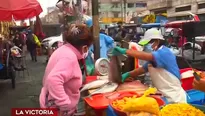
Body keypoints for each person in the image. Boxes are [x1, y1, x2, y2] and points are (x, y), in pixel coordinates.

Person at [111, 28, 187, 103]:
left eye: (149, 43)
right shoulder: (156, 56)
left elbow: (146, 56)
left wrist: (125, 51)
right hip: (164, 96)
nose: (147, 45)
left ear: (157, 41)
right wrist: (127, 74)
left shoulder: (164, 53)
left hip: (175, 97)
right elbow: (143, 69)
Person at [39, 24, 94, 116]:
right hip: (59, 110)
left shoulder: (63, 50)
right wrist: (65, 104)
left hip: (50, 103)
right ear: (84, 47)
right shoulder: (69, 57)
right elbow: (53, 79)